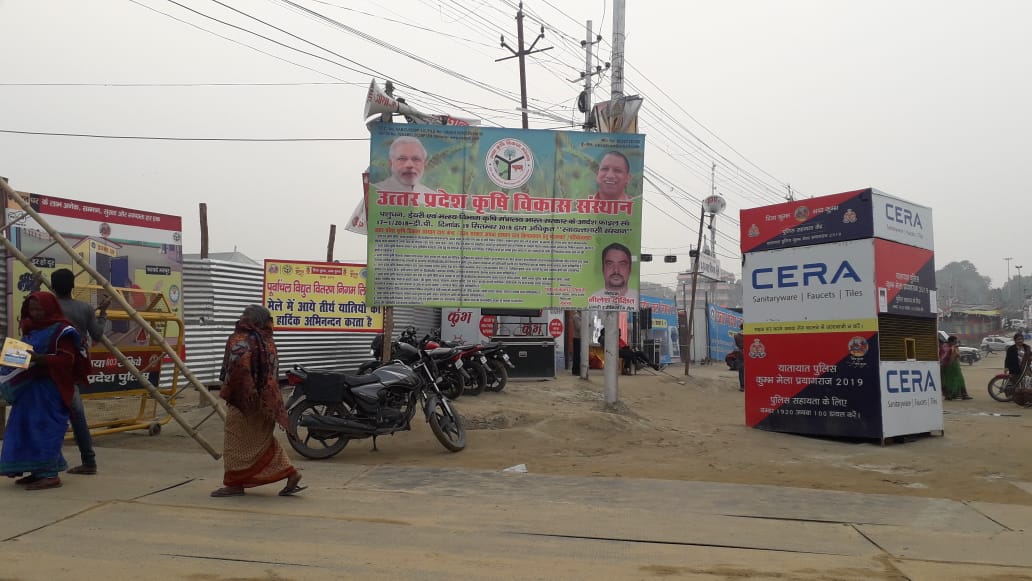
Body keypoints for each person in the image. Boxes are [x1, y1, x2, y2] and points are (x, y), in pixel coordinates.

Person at [211, 305, 305, 498]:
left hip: (244, 401)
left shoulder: (240, 340)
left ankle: (234, 484)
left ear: (249, 320)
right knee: (263, 440)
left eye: (243, 315)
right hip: (268, 401)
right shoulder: (268, 340)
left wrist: (229, 389)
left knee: (234, 442)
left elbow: (233, 370)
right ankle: (291, 473)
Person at [0, 292, 90, 491]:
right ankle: (36, 470)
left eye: (39, 309)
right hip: (29, 389)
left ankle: (50, 475)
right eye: (32, 309)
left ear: (50, 309)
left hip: (51, 389)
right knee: (25, 428)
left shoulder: (62, 331)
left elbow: (67, 360)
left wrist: (39, 359)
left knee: (45, 429)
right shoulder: (31, 329)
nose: (35, 313)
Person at [49, 268, 109, 476]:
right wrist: (102, 314)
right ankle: (89, 461)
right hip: (72, 368)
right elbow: (97, 335)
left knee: (47, 415)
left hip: (48, 366)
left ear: (52, 286)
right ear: (73, 286)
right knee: (77, 416)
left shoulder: (48, 307)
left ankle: (47, 462)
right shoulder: (84, 309)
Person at [588, 242, 638, 308]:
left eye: (622, 264)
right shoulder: (593, 300)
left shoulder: (637, 299)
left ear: (630, 269)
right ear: (602, 269)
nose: (616, 270)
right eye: (610, 264)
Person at [939, 335, 972, 400]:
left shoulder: (953, 347)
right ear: (951, 341)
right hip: (947, 366)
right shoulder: (946, 347)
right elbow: (943, 357)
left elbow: (958, 356)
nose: (956, 342)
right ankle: (949, 395)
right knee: (947, 381)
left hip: (954, 366)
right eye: (955, 341)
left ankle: (962, 395)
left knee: (959, 380)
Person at [733, 327, 745, 392]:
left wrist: (740, 350)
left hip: (740, 356)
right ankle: (744, 386)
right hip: (749, 356)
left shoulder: (735, 336)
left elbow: (734, 347)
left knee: (741, 371)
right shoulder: (751, 335)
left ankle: (742, 386)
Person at [571, 310, 582, 375]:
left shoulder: (580, 317)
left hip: (579, 338)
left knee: (578, 355)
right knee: (576, 355)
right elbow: (578, 327)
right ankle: (575, 370)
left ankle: (577, 369)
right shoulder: (576, 317)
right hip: (577, 338)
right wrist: (585, 323)